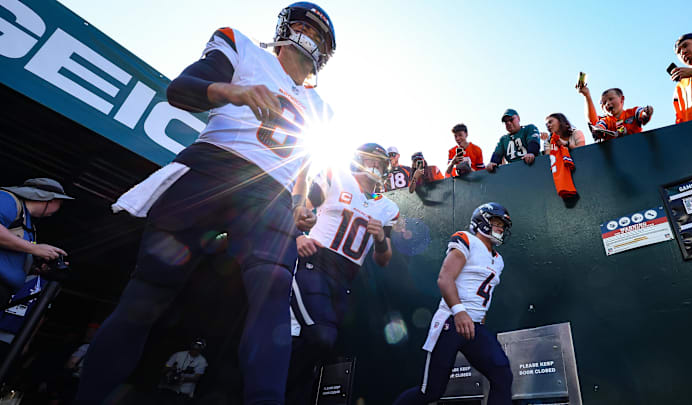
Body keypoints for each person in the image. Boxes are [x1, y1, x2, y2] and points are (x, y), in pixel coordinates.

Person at [76, 3, 336, 404]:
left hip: (269, 195)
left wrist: (300, 202)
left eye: (319, 35)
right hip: (211, 169)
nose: (311, 38)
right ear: (286, 28)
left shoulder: (320, 108)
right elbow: (181, 89)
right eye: (305, 27)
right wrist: (234, 91)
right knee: (147, 294)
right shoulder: (243, 47)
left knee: (274, 289)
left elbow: (302, 165)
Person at [286, 143, 399, 404]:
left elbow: (383, 259)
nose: (375, 167)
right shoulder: (336, 178)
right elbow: (301, 208)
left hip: (344, 279)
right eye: (370, 161)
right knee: (319, 335)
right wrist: (297, 236)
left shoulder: (388, 209)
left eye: (380, 164)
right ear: (357, 160)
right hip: (314, 262)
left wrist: (381, 238)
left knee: (318, 348)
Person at [393, 203, 513, 405]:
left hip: (474, 326)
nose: (500, 228)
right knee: (431, 391)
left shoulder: (498, 260)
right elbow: (444, 278)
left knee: (502, 374)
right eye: (496, 222)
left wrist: (479, 318)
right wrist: (459, 312)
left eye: (503, 225)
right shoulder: (467, 240)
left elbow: (482, 293)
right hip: (452, 320)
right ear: (482, 221)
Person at [0, 178, 71, 307]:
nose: (59, 209)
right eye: (60, 203)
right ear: (50, 200)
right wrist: (34, 248)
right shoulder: (8, 199)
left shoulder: (28, 224)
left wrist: (37, 268)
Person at [577, 84, 653, 141]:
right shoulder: (606, 121)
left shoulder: (632, 112)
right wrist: (598, 130)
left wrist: (646, 113)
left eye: (611, 99)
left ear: (622, 99)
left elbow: (642, 114)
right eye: (604, 103)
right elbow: (597, 125)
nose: (607, 103)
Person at [157, 338, 208, 404]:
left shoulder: (202, 361)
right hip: (168, 387)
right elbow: (165, 369)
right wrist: (171, 371)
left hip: (184, 392)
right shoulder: (178, 355)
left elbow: (196, 378)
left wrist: (181, 379)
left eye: (198, 349)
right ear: (191, 346)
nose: (195, 351)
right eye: (194, 348)